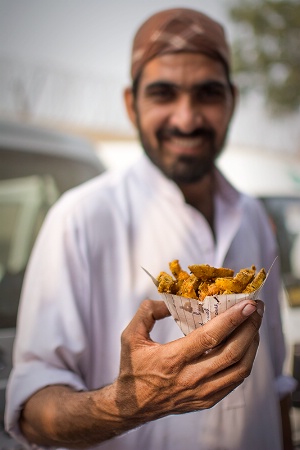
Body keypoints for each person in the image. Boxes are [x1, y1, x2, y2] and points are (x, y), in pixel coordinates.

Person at [5, 7, 294, 450]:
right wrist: (134, 402)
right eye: (164, 94)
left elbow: (273, 378)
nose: (187, 118)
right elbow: (32, 412)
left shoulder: (253, 214)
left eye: (207, 93)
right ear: (130, 103)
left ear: (231, 100)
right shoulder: (81, 219)